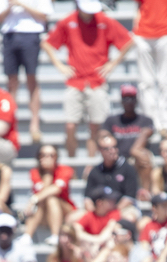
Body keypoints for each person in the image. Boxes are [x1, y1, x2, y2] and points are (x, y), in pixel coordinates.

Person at [42, 0, 134, 158]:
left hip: (97, 82)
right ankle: (72, 161)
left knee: (95, 126)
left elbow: (128, 41)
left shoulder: (103, 20)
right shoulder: (68, 21)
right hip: (75, 81)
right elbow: (47, 43)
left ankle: (91, 165)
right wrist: (60, 66)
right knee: (70, 125)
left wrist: (112, 64)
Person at [0, 0, 51, 145]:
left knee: (31, 79)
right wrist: (10, 6)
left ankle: (34, 124)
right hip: (9, 35)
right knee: (12, 82)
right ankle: (10, 123)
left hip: (31, 34)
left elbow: (44, 16)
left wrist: (21, 4)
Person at [131, 0, 167, 136]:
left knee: (164, 81)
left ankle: (166, 123)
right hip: (143, 33)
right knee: (146, 82)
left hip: (164, 32)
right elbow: (139, 7)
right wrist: (136, 30)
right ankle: (151, 122)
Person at [103, 84, 154, 191]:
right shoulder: (112, 120)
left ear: (136, 100)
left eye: (132, 98)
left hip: (136, 159)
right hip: (117, 157)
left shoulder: (145, 120)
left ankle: (145, 192)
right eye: (126, 98)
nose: (129, 102)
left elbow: (147, 132)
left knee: (143, 157)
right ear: (121, 101)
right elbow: (102, 136)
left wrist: (134, 151)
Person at [85, 132, 139, 212]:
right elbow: (87, 199)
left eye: (115, 147)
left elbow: (129, 198)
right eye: (107, 148)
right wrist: (94, 215)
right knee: (74, 218)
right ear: (100, 150)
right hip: (99, 211)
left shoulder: (128, 169)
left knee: (129, 216)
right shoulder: (95, 171)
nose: (112, 151)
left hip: (123, 209)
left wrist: (113, 214)